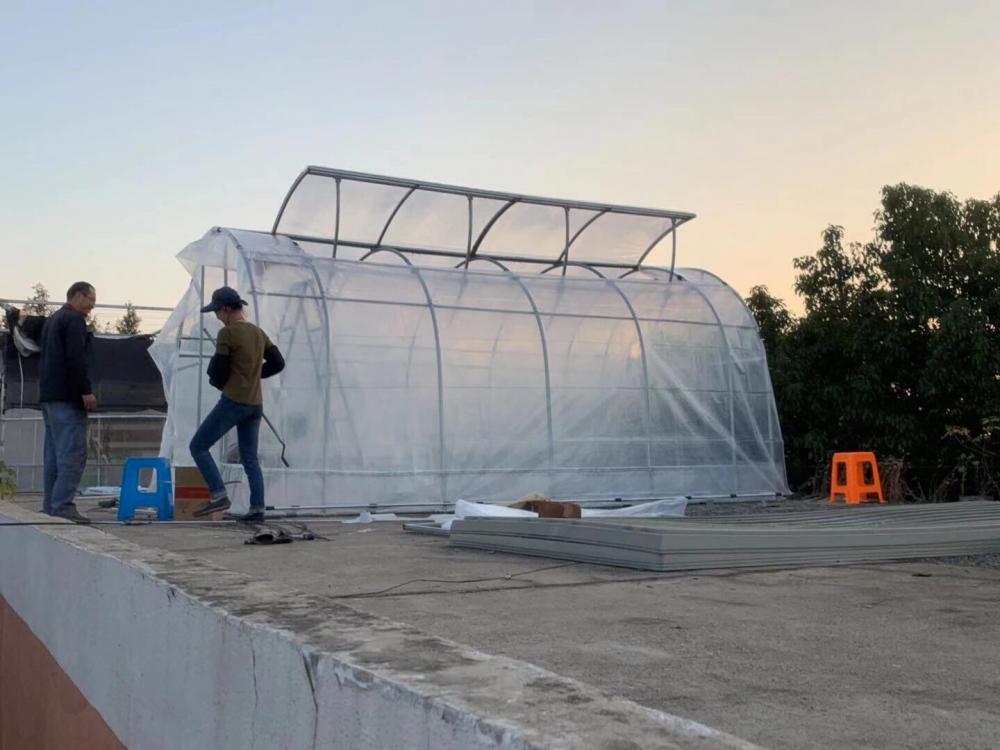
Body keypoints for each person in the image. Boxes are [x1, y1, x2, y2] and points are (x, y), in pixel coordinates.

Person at [191, 287, 285, 522]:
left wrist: (222, 380)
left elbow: (218, 370)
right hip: (255, 405)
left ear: (226, 309)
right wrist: (255, 375)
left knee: (198, 446)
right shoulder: (258, 332)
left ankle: (218, 494)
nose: (216, 317)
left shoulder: (228, 334)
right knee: (250, 459)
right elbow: (278, 362)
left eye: (216, 312)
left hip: (233, 401)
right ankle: (257, 509)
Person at [38, 282, 98, 523]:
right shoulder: (74, 321)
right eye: (91, 298)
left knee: (53, 454)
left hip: (49, 397)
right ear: (78, 295)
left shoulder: (53, 320)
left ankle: (51, 505)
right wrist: (85, 391)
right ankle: (63, 504)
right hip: (67, 397)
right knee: (72, 453)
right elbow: (76, 358)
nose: (93, 304)